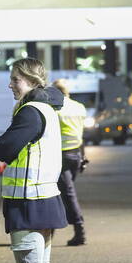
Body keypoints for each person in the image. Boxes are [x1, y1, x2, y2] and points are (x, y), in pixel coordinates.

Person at [0, 58, 68, 263]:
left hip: (27, 201)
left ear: (30, 80)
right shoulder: (48, 109)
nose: (11, 84)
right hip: (46, 198)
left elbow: (4, 148)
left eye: (15, 79)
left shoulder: (30, 112)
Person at [52, 79, 89, 246]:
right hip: (75, 155)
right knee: (61, 193)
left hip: (59, 155)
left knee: (66, 193)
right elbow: (81, 135)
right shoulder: (79, 107)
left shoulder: (54, 109)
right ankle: (50, 228)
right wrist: (83, 156)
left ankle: (79, 230)